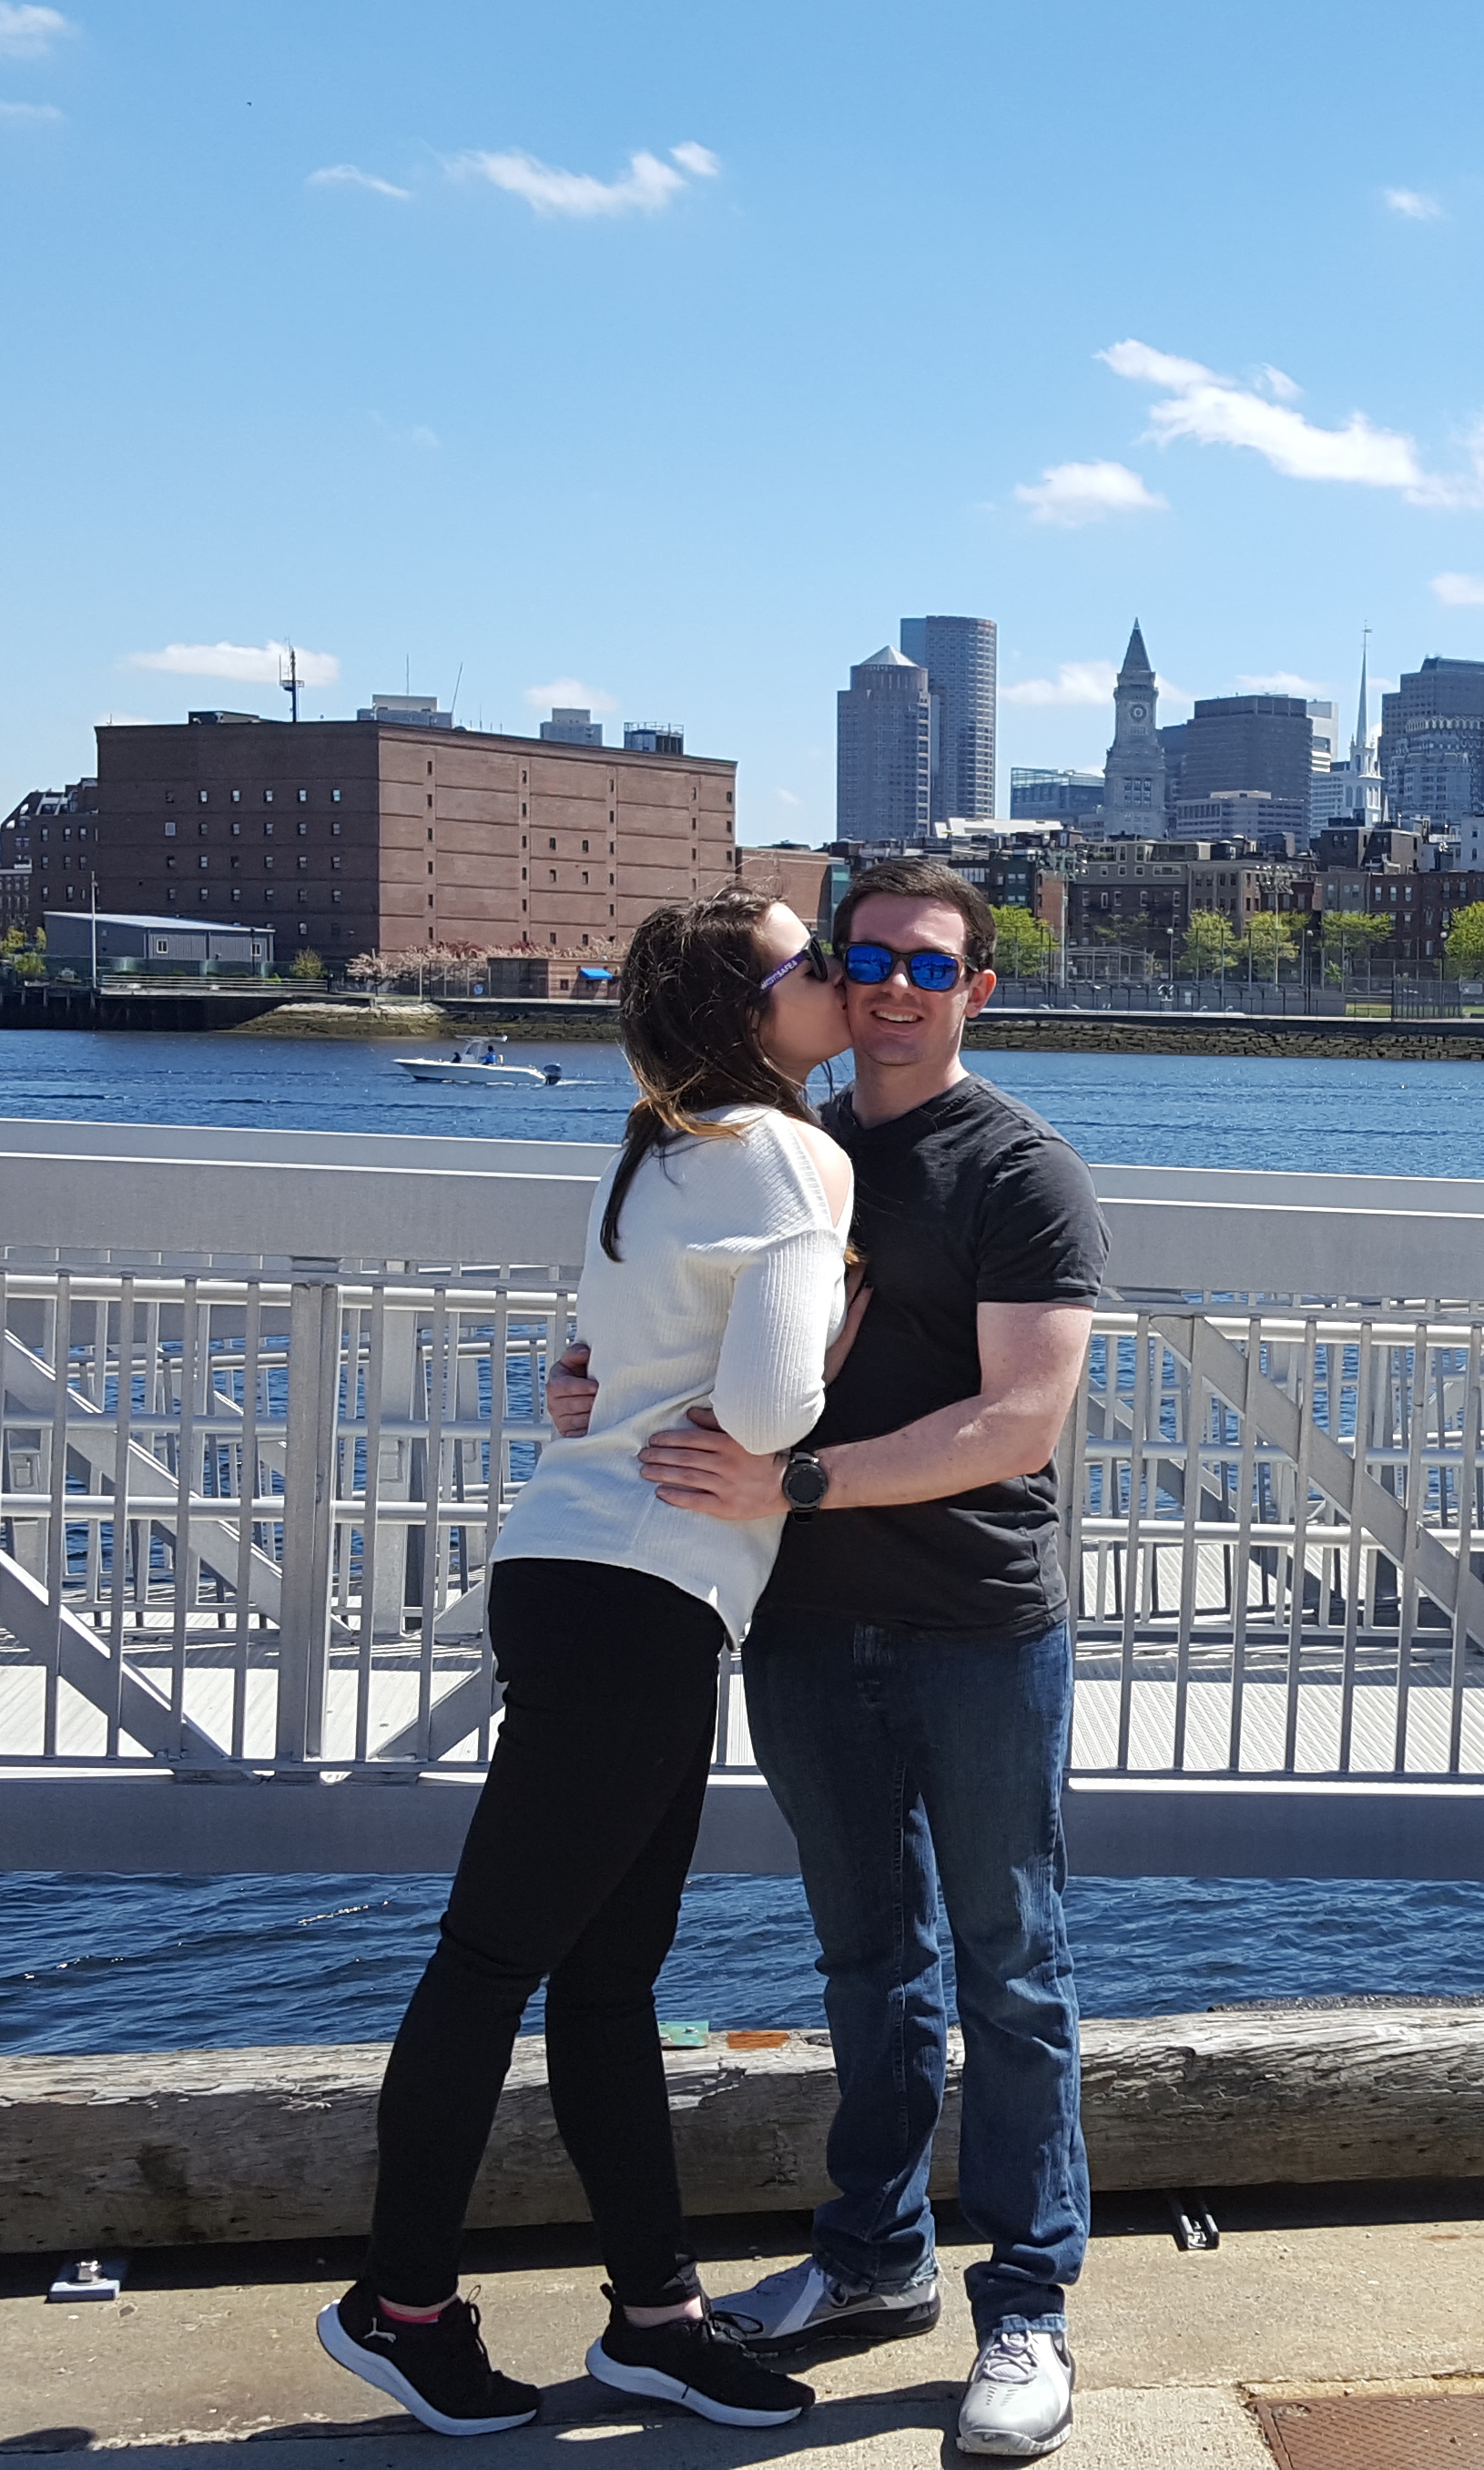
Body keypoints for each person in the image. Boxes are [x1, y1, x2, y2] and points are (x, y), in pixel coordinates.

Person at [554, 858, 1107, 2460]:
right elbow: (657, 1314)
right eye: (864, 958)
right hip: (797, 1616)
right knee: (869, 1961)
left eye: (928, 968)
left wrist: (796, 1480)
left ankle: (1027, 2304)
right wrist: (587, 1383)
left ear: (979, 990)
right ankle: (874, 2258)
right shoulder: (781, 1147)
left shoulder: (1022, 1168)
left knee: (1012, 1967)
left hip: (977, 1618)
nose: (889, 988)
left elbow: (1020, 1420)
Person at [318, 889, 854, 2440]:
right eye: (808, 961)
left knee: (604, 1978)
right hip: (641, 1594)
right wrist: (829, 1340)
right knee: (502, 1961)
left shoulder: (655, 1148)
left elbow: (608, 1372)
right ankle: (397, 2306)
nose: (832, 976)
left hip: (574, 1572)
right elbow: (758, 1413)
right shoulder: (787, 1155)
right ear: (752, 1012)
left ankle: (657, 2317)